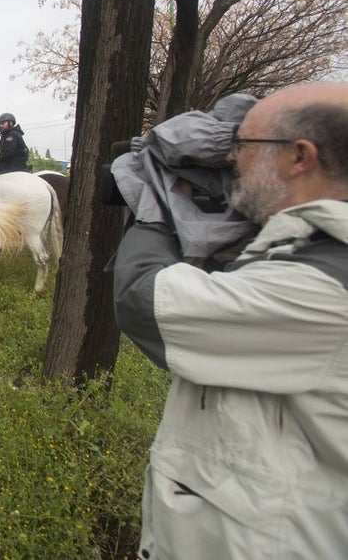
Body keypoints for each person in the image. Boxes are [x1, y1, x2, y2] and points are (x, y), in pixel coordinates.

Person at [112, 81, 348, 559]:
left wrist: (156, 204)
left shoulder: (320, 286)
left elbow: (141, 298)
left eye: (242, 146)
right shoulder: (302, 252)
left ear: (299, 157)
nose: (231, 160)